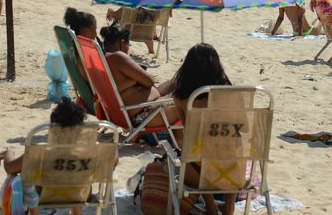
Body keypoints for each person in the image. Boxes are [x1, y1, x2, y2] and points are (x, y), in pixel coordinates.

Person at [0, 97, 93, 215]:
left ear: (53, 128)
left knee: (17, 178)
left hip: (44, 198)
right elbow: (112, 161)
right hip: (80, 196)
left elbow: (9, 167)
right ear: (81, 130)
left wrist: (8, 153)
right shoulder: (91, 153)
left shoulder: (39, 154)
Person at [169, 44, 233, 215]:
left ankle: (210, 205)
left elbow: (188, 132)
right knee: (233, 150)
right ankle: (230, 207)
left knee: (193, 152)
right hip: (232, 172)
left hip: (198, 173)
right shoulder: (230, 94)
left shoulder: (180, 96)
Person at [98, 25, 173, 125]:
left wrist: (133, 79)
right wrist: (136, 78)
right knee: (184, 94)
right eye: (128, 45)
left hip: (129, 110)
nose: (128, 49)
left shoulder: (104, 59)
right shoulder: (118, 57)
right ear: (122, 42)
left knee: (176, 81)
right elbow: (150, 81)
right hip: (143, 115)